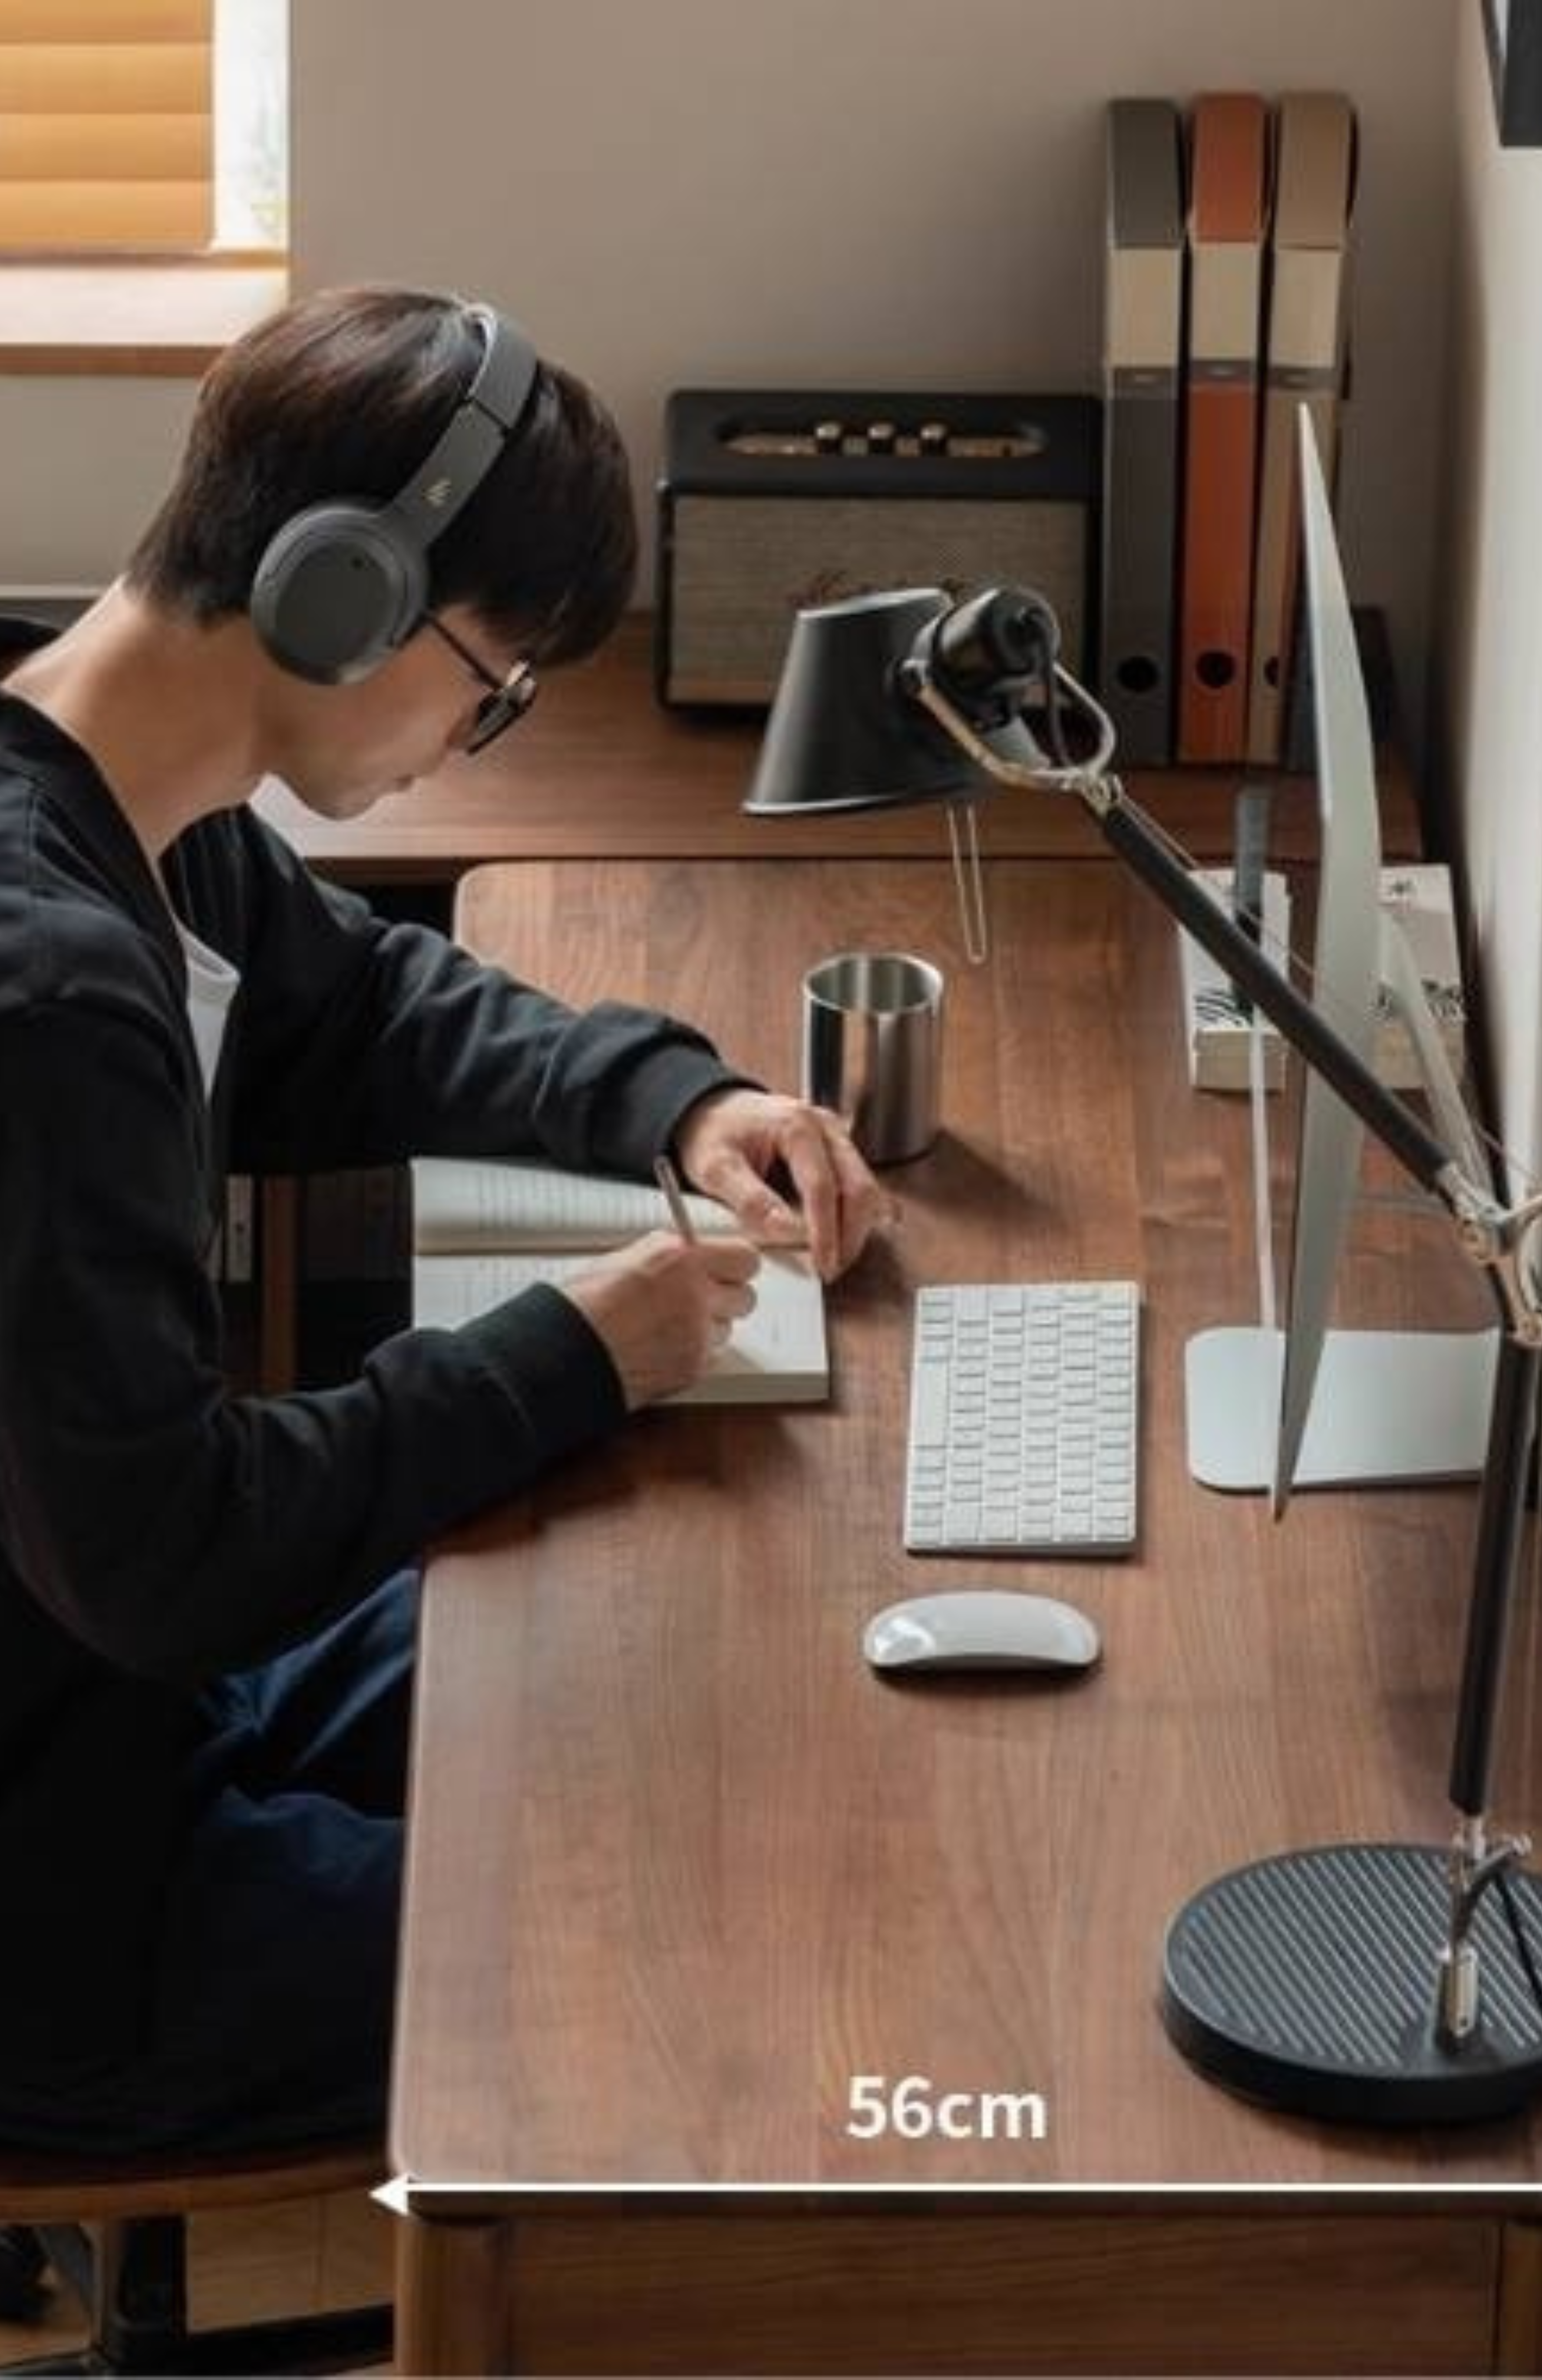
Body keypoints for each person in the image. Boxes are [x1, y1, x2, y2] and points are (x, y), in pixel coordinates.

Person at [0, 285, 888, 2156]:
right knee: (668, 1953)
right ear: (345, 595)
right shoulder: (46, 1004)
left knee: (671, 1694)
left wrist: (680, 1100)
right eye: (492, 682)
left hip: (118, 1699)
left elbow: (361, 1002)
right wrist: (570, 1350)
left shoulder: (114, 800)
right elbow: (170, 1555)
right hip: (61, 1897)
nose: (483, 734)